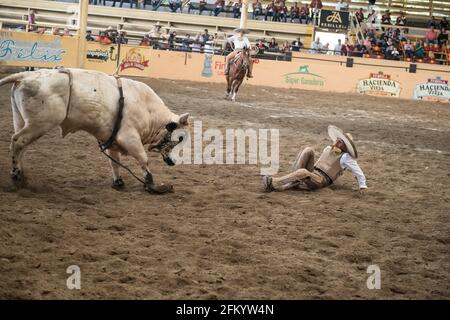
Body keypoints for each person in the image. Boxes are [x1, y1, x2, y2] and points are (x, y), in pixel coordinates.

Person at [263, 125, 367, 195]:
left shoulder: (346, 157)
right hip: (314, 171)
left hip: (322, 180)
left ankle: (274, 183)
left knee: (303, 172)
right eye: (339, 140)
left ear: (345, 147)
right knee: (309, 150)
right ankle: (294, 178)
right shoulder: (328, 148)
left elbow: (358, 172)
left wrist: (362, 186)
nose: (338, 143)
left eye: (341, 142)